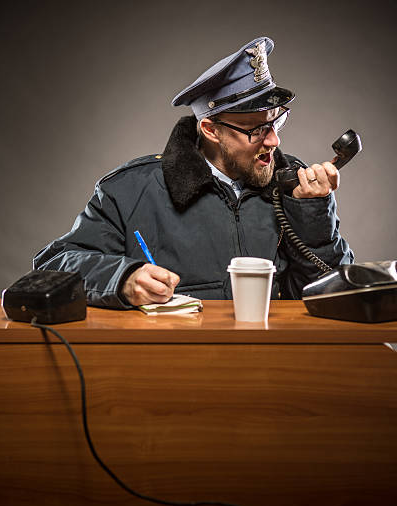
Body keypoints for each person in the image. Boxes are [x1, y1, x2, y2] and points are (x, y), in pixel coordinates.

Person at [34, 37, 353, 308]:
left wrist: (312, 214)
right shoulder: (130, 189)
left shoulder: (297, 186)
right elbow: (53, 267)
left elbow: (338, 295)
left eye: (275, 122)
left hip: (277, 367)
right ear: (211, 130)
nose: (274, 140)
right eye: (255, 129)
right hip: (173, 367)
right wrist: (122, 279)